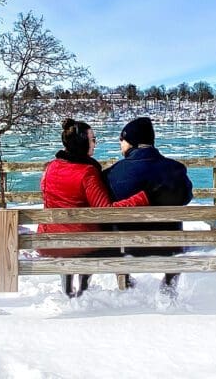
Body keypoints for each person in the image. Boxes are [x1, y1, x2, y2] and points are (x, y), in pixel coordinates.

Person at [40, 118, 149, 297]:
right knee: (113, 240)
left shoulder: (50, 167)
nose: (95, 143)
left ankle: (68, 290)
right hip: (83, 243)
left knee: (72, 232)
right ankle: (85, 289)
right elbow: (105, 210)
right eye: (92, 139)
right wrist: (140, 198)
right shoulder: (87, 172)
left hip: (51, 241)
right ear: (82, 142)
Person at [103, 116, 193, 292]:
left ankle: (125, 282)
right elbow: (186, 198)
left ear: (132, 141)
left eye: (122, 140)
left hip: (126, 248)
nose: (120, 144)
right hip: (170, 247)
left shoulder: (111, 174)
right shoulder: (176, 169)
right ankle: (168, 284)